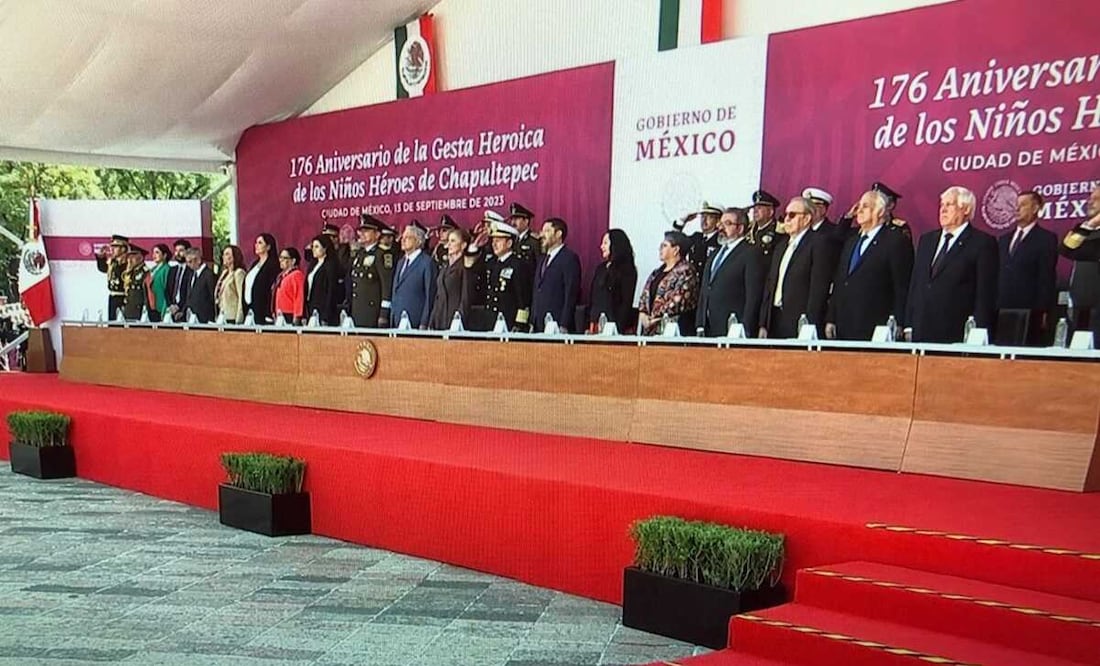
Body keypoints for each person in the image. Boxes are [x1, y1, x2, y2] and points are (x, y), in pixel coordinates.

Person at [905, 186, 998, 343]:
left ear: (966, 209)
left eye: (950, 205)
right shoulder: (927, 240)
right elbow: (916, 283)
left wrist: (978, 331)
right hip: (921, 328)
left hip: (956, 330)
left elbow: (985, 292)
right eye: (942, 205)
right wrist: (908, 324)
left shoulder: (982, 242)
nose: (943, 210)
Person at [825, 191, 914, 341]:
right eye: (859, 206)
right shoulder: (851, 241)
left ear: (879, 211)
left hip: (876, 326)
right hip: (843, 323)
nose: (858, 210)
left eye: (865, 206)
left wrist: (898, 320)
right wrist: (831, 318)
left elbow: (902, 285)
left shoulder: (895, 241)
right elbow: (840, 281)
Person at [759, 197, 832, 339]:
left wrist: (809, 323)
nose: (787, 219)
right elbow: (770, 284)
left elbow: (818, 287)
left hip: (799, 321)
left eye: (792, 215)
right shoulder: (781, 246)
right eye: (785, 215)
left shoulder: (818, 243)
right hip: (774, 319)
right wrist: (763, 323)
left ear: (806, 219)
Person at [996, 190, 1058, 346]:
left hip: (1029, 311)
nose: (1017, 209)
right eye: (1016, 205)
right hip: (1001, 308)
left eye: (1022, 205)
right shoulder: (1003, 240)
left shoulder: (1046, 239)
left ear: (1035, 208)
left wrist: (1042, 310)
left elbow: (1046, 277)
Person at [695, 208, 764, 337]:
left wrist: (745, 327)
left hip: (733, 327)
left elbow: (753, 294)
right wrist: (700, 323)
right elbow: (705, 289)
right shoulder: (715, 253)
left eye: (727, 223)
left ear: (740, 228)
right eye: (720, 223)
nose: (720, 228)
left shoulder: (751, 253)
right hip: (709, 328)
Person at [471, 216, 533, 332]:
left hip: (509, 322)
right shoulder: (492, 263)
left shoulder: (518, 265)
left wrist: (520, 323)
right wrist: (475, 246)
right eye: (493, 241)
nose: (494, 244)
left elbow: (523, 297)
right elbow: (471, 269)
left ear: (509, 243)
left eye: (498, 241)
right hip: (490, 320)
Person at [1058, 184, 1100, 341]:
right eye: (1090, 198)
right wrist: (1090, 225)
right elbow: (1066, 249)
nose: (1090, 202)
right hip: (1080, 306)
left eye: (1096, 199)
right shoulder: (1082, 229)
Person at [637, 231, 699, 336]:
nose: (660, 249)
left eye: (664, 245)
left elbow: (679, 300)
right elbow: (644, 296)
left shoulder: (686, 271)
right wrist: (643, 314)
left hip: (673, 330)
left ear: (676, 250)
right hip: (650, 330)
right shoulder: (656, 272)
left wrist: (655, 317)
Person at [531, 218, 582, 333]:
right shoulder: (542, 259)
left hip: (557, 325)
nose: (542, 235)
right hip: (538, 325)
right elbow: (537, 291)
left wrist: (564, 324)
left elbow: (571, 293)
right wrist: (532, 320)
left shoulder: (569, 258)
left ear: (558, 234)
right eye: (542, 231)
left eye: (547, 231)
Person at [587, 229, 638, 334]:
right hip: (596, 323)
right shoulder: (600, 268)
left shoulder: (627, 270)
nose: (602, 247)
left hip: (614, 326)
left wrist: (617, 329)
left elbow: (626, 302)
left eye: (605, 243)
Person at [389, 222, 438, 329]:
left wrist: (424, 322)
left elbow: (430, 295)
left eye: (408, 237)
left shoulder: (426, 262)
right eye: (403, 237)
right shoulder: (401, 262)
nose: (403, 239)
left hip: (415, 321)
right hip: (397, 320)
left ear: (418, 241)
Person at [348, 215, 395, 328]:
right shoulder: (359, 254)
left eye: (366, 231)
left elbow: (386, 286)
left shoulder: (382, 254)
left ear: (377, 234)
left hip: (373, 313)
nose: (362, 234)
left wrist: (384, 314)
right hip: (357, 311)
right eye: (361, 231)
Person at [428, 227, 475, 330]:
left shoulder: (465, 266)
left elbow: (465, 298)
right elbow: (438, 296)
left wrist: (459, 320)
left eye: (453, 241)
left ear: (463, 245)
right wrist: (432, 320)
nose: (448, 245)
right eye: (448, 241)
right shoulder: (445, 266)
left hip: (454, 321)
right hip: (439, 319)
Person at [674, 202, 723, 276]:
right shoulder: (696, 237)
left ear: (718, 221)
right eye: (703, 216)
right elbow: (673, 243)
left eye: (709, 217)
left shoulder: (720, 241)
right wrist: (681, 222)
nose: (704, 220)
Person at [244, 233, 280, 324]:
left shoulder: (273, 265)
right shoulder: (254, 264)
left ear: (268, 247)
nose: (256, 245)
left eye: (260, 243)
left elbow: (272, 289)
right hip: (250, 308)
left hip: (263, 310)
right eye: (256, 242)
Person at [305, 234, 340, 325]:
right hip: (311, 305)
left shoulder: (330, 266)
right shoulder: (313, 265)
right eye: (313, 246)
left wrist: (326, 315)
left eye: (317, 246)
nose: (313, 249)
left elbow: (331, 290)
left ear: (325, 248)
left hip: (323, 308)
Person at [177, 248, 215, 323]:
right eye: (187, 262)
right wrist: (183, 311)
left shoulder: (208, 275)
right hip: (191, 316)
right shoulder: (191, 275)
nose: (188, 265)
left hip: (205, 318)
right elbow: (189, 295)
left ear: (198, 260)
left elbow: (212, 296)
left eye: (190, 262)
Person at [95, 234, 129, 319]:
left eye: (116, 246)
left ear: (123, 248)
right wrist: (101, 257)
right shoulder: (113, 262)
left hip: (124, 297)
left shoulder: (128, 263)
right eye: (112, 246)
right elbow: (103, 268)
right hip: (113, 297)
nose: (112, 249)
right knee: (112, 324)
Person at [746, 190, 783, 266]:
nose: (755, 211)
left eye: (759, 208)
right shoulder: (749, 230)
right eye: (754, 208)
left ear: (770, 212)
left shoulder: (779, 231)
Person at [273, 247, 306, 325]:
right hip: (280, 313)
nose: (281, 260)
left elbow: (299, 297)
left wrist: (297, 317)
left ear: (293, 261)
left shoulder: (297, 275)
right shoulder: (281, 275)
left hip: (289, 314)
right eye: (280, 257)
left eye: (284, 258)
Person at [216, 244, 247, 324]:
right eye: (224, 254)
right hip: (221, 315)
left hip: (232, 316)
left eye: (227, 254)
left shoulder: (238, 273)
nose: (224, 257)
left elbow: (241, 297)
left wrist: (239, 318)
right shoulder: (224, 273)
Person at [165, 239, 193, 317]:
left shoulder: (191, 271)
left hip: (185, 310)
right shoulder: (172, 270)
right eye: (176, 250)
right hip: (171, 310)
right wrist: (171, 305)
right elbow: (167, 290)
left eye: (181, 250)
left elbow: (189, 293)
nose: (178, 253)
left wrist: (180, 307)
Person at [121, 245, 149, 321]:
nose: (130, 260)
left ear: (141, 258)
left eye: (133, 257)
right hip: (129, 307)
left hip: (139, 308)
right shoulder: (131, 272)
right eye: (129, 257)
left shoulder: (145, 272)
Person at [509, 202, 540, 269]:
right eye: (512, 219)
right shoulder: (511, 239)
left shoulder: (534, 241)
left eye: (516, 219)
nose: (513, 223)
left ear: (526, 221)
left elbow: (539, 266)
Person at [147, 243, 172, 322]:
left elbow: (167, 290)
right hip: (151, 306)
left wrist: (165, 309)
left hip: (161, 307)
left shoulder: (166, 269)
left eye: (157, 252)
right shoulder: (153, 269)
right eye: (153, 252)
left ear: (164, 255)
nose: (154, 255)